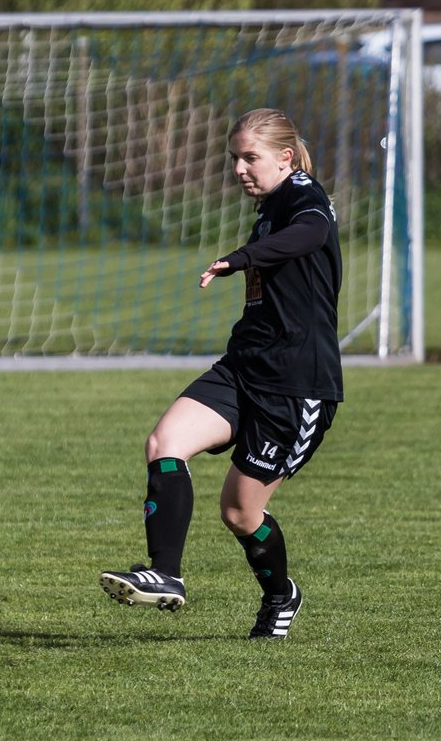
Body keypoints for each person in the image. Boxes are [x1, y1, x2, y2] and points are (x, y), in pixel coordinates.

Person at [99, 107, 343, 639]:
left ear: (284, 157)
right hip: (243, 367)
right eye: (234, 158)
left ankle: (281, 595)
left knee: (238, 511)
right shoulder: (270, 205)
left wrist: (241, 258)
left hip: (297, 386)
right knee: (164, 441)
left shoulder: (305, 197)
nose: (238, 169)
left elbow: (309, 234)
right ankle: (165, 574)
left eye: (249, 157)